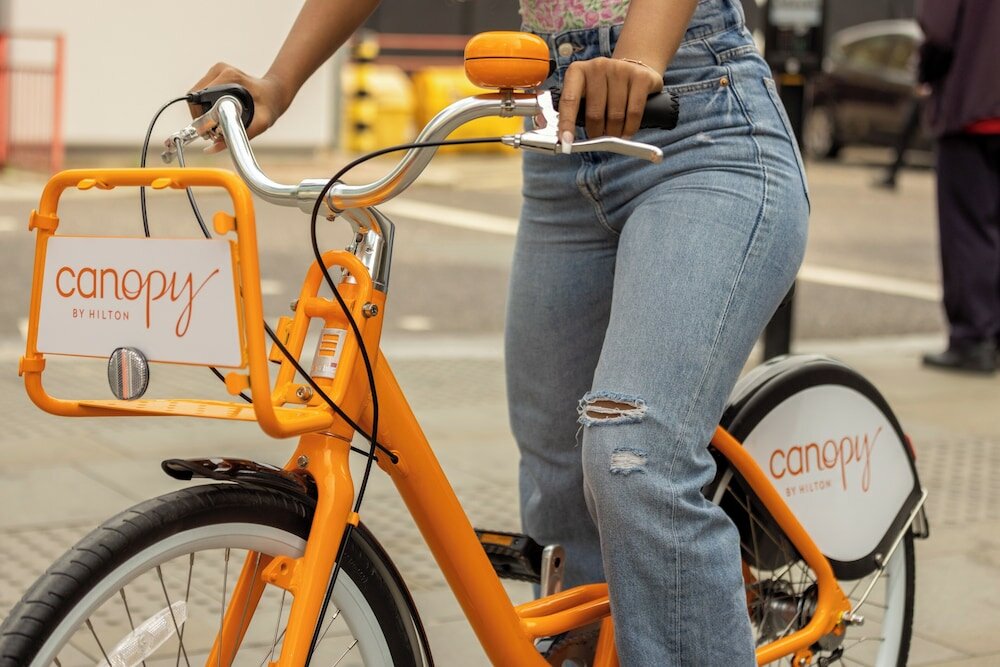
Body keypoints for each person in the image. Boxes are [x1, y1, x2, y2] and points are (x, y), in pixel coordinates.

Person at [193, 0, 808, 663]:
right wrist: (278, 83)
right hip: (560, 138)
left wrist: (637, 57)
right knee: (559, 478)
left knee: (633, 452)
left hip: (696, 119)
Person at [918, 0, 1000, 375]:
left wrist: (925, 72)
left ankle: (973, 339)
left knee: (967, 229)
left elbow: (938, 28)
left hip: (973, 110)